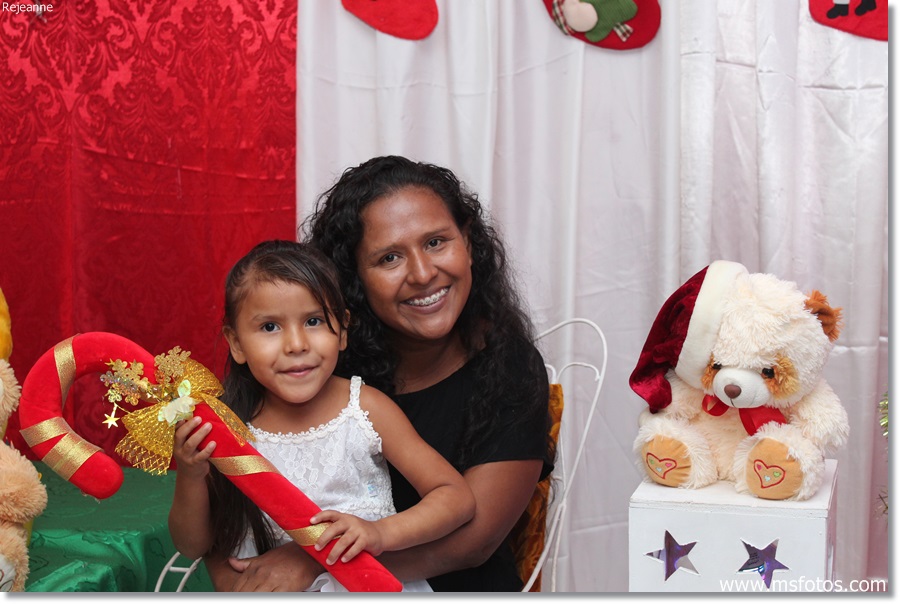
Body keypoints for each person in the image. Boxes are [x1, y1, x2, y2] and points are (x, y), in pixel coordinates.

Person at [205, 156, 553, 591]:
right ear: (354, 278)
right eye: (389, 258)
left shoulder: (508, 366)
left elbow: (474, 543)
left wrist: (317, 561)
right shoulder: (318, 357)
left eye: (436, 242)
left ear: (467, 241)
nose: (423, 274)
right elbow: (227, 505)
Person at [168, 239, 475, 592]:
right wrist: (191, 474)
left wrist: (380, 532)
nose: (296, 344)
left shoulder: (365, 409)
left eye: (313, 321)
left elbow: (455, 498)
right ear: (236, 343)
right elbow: (192, 546)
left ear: (342, 330)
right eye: (270, 327)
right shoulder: (227, 425)